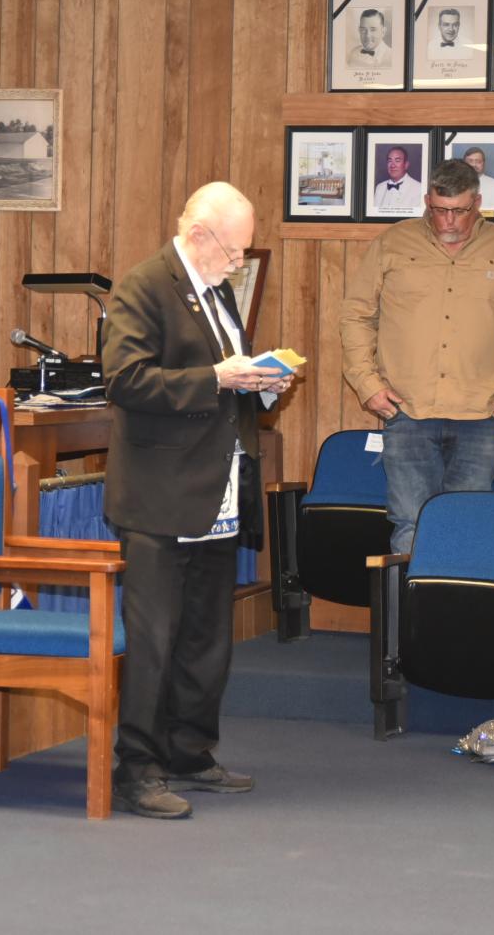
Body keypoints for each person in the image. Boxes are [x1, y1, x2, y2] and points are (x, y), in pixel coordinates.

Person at [103, 181, 297, 820]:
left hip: (216, 490)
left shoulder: (216, 290)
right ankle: (137, 769)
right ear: (198, 235)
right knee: (154, 639)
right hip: (159, 495)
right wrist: (217, 376)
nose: (239, 263)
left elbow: (224, 382)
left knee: (206, 637)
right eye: (235, 251)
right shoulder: (143, 287)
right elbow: (125, 380)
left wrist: (259, 384)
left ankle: (189, 752)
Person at [341, 159, 494, 554]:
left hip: (481, 413)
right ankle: (409, 598)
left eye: (459, 211)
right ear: (427, 201)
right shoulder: (392, 244)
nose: (449, 221)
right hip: (407, 409)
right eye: (440, 210)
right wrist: (367, 384)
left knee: (468, 525)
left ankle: (457, 596)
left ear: (477, 203)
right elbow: (356, 315)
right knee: (409, 524)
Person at [372, 146, 423, 212]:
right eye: (390, 161)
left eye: (397, 161)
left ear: (406, 165)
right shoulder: (379, 187)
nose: (392, 165)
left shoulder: (418, 189)